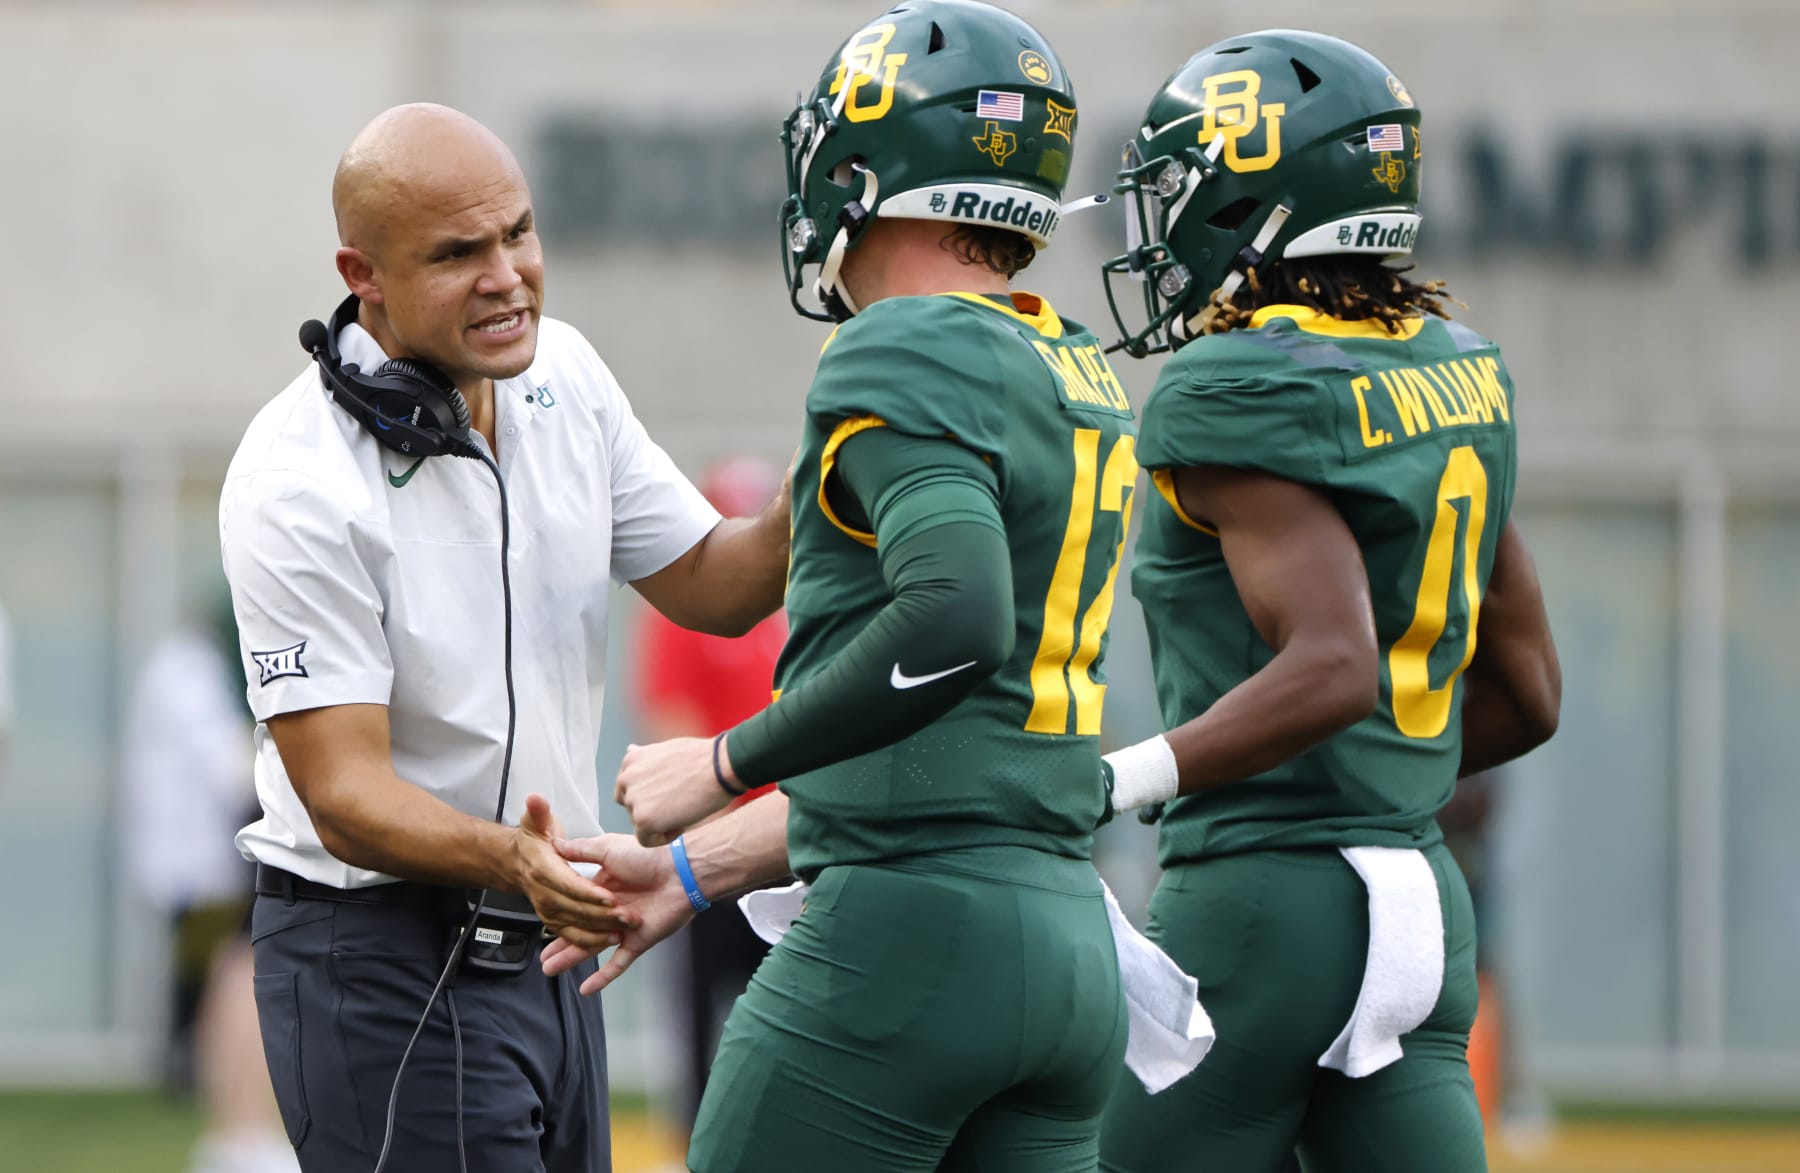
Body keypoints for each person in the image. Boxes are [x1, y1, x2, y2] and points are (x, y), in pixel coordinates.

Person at [548, 3, 1136, 1168]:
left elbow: (956, 622)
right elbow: (941, 755)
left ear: (874, 163)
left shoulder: (900, 345)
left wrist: (722, 762)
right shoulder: (1069, 360)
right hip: (1065, 941)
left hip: (909, 939)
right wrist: (690, 870)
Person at [219, 103, 788, 1172]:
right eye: (457, 253)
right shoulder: (292, 478)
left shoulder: (566, 371)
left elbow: (719, 583)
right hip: (381, 959)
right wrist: (511, 858)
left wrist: (838, 461)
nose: (507, 275)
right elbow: (342, 793)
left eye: (518, 234)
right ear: (364, 272)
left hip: (550, 942)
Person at [1091, 31, 1562, 1173]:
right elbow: (1532, 696)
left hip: (1261, 902)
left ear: (1259, 197)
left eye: (1183, 194)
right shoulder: (1454, 363)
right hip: (1421, 908)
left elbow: (1335, 660)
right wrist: (1376, 786)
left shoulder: (1231, 382)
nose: (1163, 231)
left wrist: (1117, 780)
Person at [631, 455, 787, 1128]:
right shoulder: (686, 617)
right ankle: (697, 1138)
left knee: (787, 1018)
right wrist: (711, 841)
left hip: (793, 846)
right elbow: (675, 735)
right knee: (702, 1014)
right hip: (720, 856)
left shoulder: (794, 612)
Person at [121, 599, 298, 1173]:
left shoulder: (193, 665)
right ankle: (242, 1131)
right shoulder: (193, 668)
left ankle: (238, 1132)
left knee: (234, 966)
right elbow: (229, 767)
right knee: (245, 965)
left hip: (219, 851)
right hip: (219, 855)